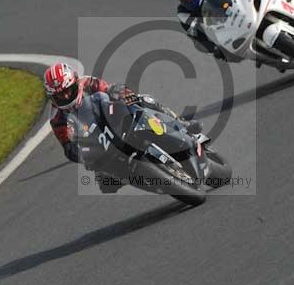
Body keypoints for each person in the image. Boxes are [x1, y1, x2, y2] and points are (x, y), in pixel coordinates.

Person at [43, 62, 202, 192]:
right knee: (105, 184)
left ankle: (181, 123)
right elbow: (67, 147)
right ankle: (148, 181)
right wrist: (80, 155)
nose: (64, 96)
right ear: (52, 97)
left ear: (75, 83)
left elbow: (109, 88)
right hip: (98, 144)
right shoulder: (57, 118)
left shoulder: (87, 82)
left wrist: (122, 93)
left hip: (112, 119)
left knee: (144, 99)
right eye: (59, 95)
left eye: (67, 90)